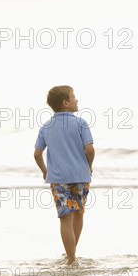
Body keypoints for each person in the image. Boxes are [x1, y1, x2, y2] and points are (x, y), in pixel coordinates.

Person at [34, 85, 95, 265]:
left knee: (64, 217)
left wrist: (45, 171)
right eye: (74, 97)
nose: (77, 100)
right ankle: (72, 253)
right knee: (78, 213)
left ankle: (71, 257)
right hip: (81, 175)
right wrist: (89, 166)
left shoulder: (46, 127)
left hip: (58, 179)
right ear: (65, 103)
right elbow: (90, 149)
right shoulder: (81, 123)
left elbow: (37, 154)